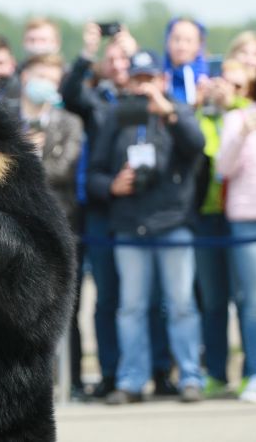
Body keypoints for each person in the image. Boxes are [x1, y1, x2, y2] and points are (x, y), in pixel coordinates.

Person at [61, 23, 175, 399]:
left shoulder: (152, 96)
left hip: (145, 209)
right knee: (110, 297)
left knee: (151, 297)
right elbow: (69, 91)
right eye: (112, 60)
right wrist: (89, 48)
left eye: (124, 57)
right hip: (102, 207)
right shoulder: (96, 100)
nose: (119, 64)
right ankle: (112, 374)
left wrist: (134, 46)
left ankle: (161, 371)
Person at [89, 50, 205, 404]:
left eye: (150, 79)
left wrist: (166, 111)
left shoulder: (176, 111)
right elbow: (94, 173)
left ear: (162, 80)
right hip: (129, 225)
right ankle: (131, 380)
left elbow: (196, 145)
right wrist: (112, 185)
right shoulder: (116, 115)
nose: (143, 86)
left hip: (172, 223)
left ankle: (190, 377)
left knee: (181, 304)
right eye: (138, 79)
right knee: (131, 308)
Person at [18, 54, 84, 397]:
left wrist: (28, 156)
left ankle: (68, 382)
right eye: (40, 74)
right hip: (14, 225)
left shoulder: (70, 122)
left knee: (62, 309)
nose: (46, 81)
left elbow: (63, 170)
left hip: (58, 226)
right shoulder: (4, 117)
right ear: (26, 76)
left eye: (52, 76)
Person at [193, 59, 252, 397]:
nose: (224, 87)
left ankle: (251, 371)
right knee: (213, 299)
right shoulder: (202, 114)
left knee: (248, 299)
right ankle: (215, 371)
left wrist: (235, 106)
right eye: (219, 80)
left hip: (242, 214)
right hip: (206, 213)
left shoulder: (247, 114)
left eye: (234, 83)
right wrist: (200, 106)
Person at [216, 69, 256, 404]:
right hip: (247, 221)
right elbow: (222, 168)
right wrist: (243, 133)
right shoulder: (237, 119)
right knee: (255, 301)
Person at [164, 18, 208, 105]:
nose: (182, 46)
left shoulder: (204, 80)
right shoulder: (161, 76)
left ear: (199, 45)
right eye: (176, 39)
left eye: (188, 41)